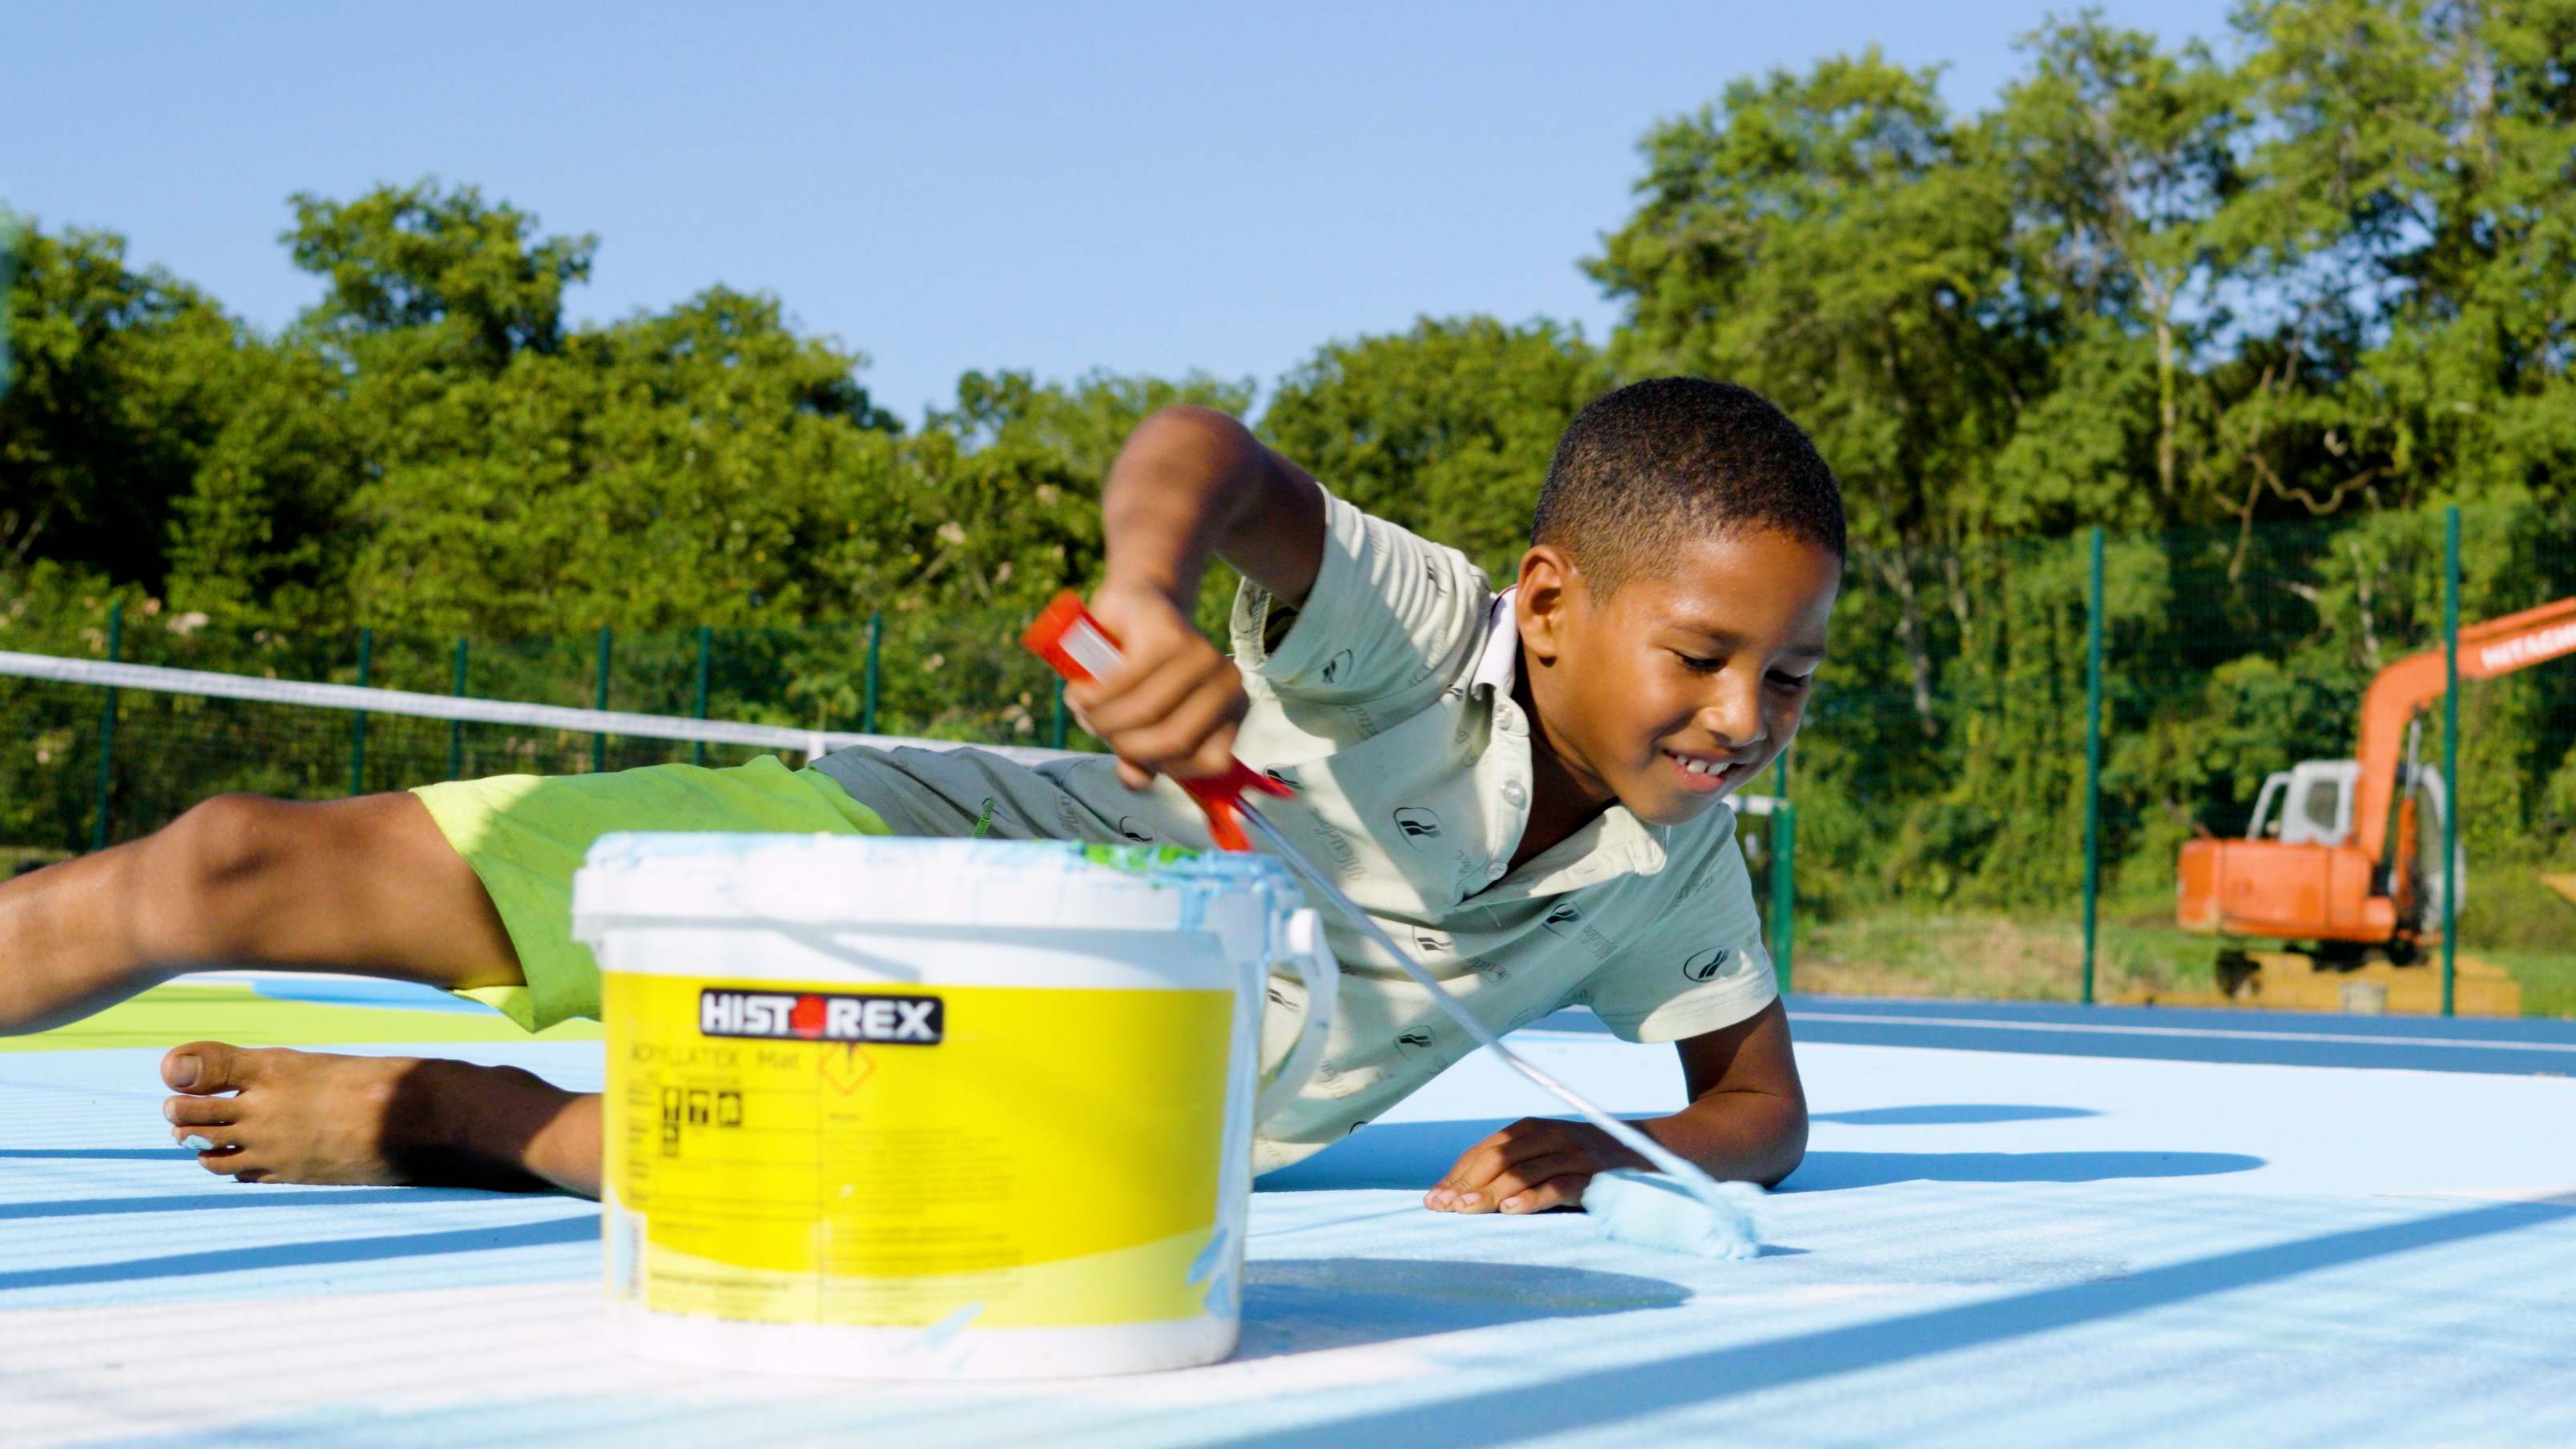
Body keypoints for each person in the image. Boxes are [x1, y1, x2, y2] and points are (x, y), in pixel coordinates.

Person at [0, 377, 1842, 1214]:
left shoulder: (1681, 874)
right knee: (235, 864)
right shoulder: (1422, 628)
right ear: (1548, 599)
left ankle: (484, 1118)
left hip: (1076, 1118)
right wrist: (1140, 597)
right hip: (931, 855)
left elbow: (1760, 1104)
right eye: (1703, 657)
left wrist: (1622, 1150)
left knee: (860, 1195)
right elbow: (1206, 456)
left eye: (1792, 676)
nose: (1746, 715)